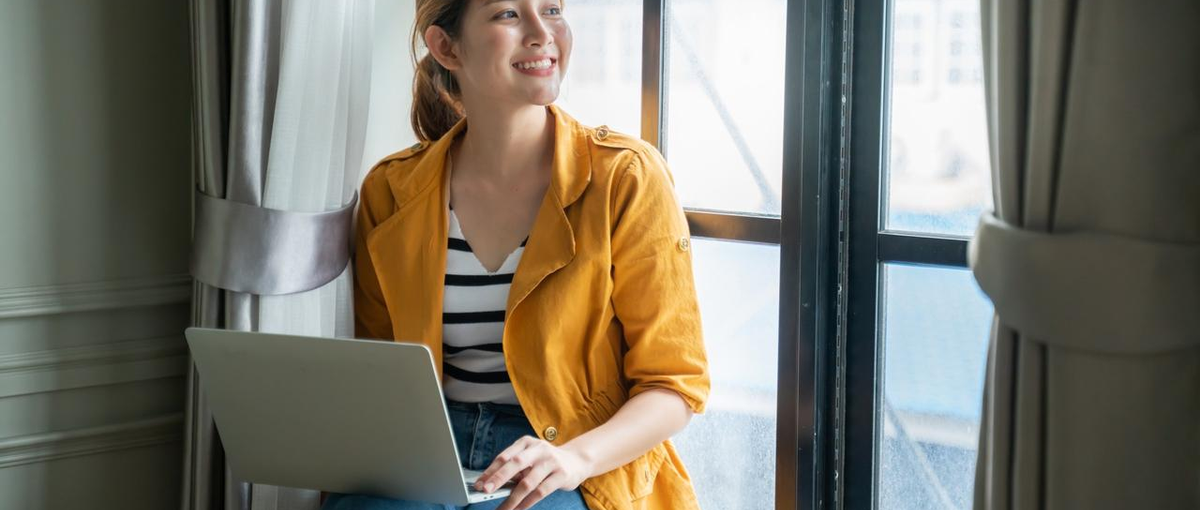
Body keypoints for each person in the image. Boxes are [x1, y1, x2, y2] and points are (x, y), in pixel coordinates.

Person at [323, 1, 708, 509]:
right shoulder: (391, 191)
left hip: (576, 458)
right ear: (446, 47)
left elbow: (674, 385)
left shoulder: (626, 178)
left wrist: (574, 458)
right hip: (427, 452)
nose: (542, 32)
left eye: (552, 9)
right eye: (508, 13)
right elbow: (379, 372)